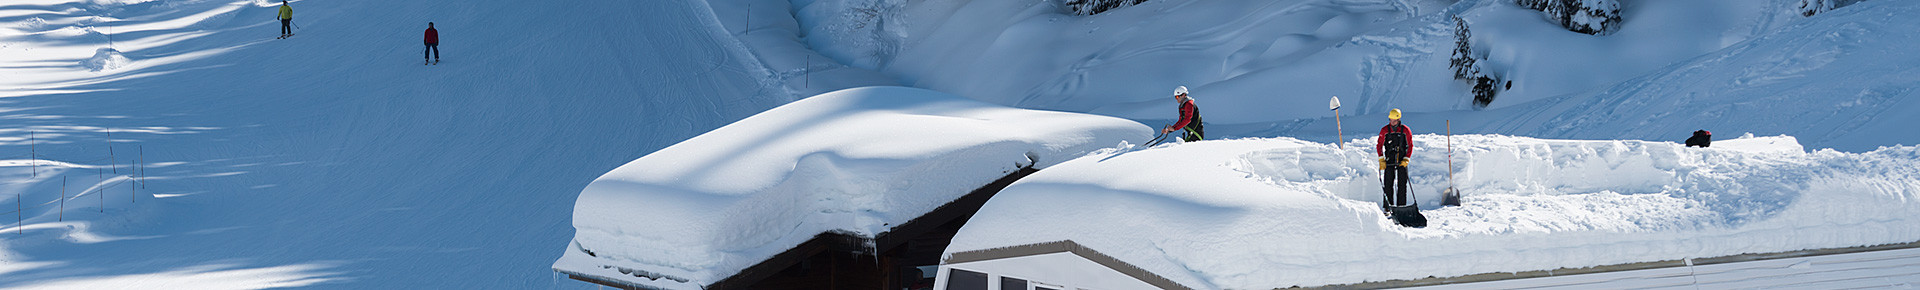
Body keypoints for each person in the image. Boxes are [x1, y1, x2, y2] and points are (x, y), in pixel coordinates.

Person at [1376, 109, 1414, 209]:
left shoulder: (1405, 130)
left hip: (1402, 161)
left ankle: (1401, 207)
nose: (1391, 122)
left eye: (1394, 120)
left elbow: (1410, 145)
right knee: (1388, 184)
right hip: (1389, 160)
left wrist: (1406, 159)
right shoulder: (1384, 130)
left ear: (1399, 119)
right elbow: (1379, 145)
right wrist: (1381, 159)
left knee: (1402, 185)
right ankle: (1388, 207)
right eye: (1390, 120)